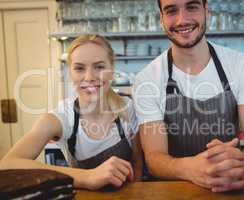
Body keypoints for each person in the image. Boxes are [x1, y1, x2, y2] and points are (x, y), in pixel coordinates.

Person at [133, 0, 244, 192]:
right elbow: (155, 157)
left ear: (207, 11)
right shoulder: (146, 79)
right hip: (175, 191)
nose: (182, 19)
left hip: (231, 184)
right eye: (171, 10)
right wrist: (192, 169)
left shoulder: (240, 65)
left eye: (192, 7)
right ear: (162, 19)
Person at [0, 34, 142, 190]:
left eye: (99, 67)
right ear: (71, 72)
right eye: (79, 68)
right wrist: (87, 176)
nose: (89, 77)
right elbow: (7, 164)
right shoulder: (61, 117)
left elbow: (137, 164)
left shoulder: (128, 109)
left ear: (112, 70)